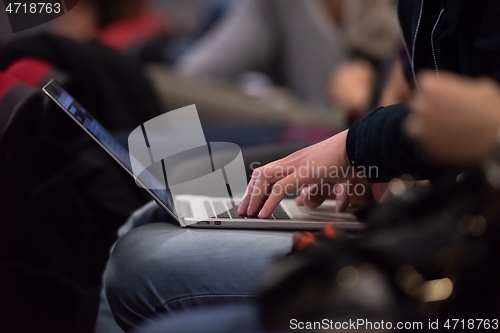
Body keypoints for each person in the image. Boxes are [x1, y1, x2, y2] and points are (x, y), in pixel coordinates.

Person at [104, 1, 500, 331]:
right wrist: (384, 153)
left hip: (441, 231)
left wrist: (368, 140)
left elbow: (453, 116)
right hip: (390, 169)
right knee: (148, 213)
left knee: (141, 256)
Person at [176, 0, 400, 110]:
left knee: (170, 95)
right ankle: (169, 89)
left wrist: (375, 75)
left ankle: (169, 90)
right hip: (346, 95)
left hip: (343, 115)